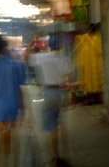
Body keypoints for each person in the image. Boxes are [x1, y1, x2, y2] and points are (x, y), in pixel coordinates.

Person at [29, 33, 74, 166]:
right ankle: (65, 153)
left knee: (52, 127)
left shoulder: (41, 58)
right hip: (60, 92)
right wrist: (69, 97)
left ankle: (56, 156)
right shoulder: (65, 59)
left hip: (48, 92)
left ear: (48, 45)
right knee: (62, 124)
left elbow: (27, 54)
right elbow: (68, 80)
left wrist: (34, 40)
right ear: (61, 46)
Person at [0, 35, 26, 167]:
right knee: (14, 140)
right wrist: (23, 108)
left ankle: (1, 163)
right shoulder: (16, 65)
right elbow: (19, 89)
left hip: (0, 111)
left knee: (2, 144)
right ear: (5, 47)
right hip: (13, 108)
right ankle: (15, 164)